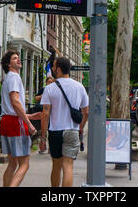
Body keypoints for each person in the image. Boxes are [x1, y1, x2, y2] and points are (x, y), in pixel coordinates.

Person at [39, 56, 89, 187]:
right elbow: (86, 112)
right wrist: (80, 127)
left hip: (55, 131)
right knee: (68, 166)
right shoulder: (79, 87)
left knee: (56, 166)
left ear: (59, 69)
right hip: (72, 130)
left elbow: (45, 114)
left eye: (54, 66)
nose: (53, 69)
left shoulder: (49, 88)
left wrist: (43, 138)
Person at [0, 50, 42, 187]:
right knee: (25, 163)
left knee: (12, 163)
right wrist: (28, 122)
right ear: (8, 64)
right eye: (14, 58)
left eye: (18, 58)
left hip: (7, 121)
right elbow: (15, 101)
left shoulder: (7, 78)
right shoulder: (14, 77)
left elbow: (11, 108)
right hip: (15, 124)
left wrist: (29, 115)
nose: (18, 60)